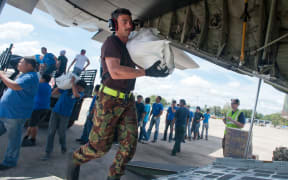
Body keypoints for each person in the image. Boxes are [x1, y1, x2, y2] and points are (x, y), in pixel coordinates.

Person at [68, 8, 168, 180]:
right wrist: (146, 72)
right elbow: (115, 72)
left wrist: (157, 65)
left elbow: (142, 59)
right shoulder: (111, 43)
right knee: (99, 148)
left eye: (131, 22)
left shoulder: (130, 47)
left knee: (129, 146)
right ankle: (76, 159)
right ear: (114, 25)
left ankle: (113, 177)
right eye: (124, 22)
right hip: (109, 100)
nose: (129, 25)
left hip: (127, 101)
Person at [0, 58, 39, 170]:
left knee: (14, 140)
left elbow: (15, 86)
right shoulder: (24, 75)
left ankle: (10, 162)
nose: (18, 64)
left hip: (15, 115)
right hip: (6, 113)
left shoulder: (30, 77)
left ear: (30, 65)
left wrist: (2, 76)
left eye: (21, 62)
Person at [41, 79, 86, 161]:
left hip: (65, 115)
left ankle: (63, 146)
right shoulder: (67, 90)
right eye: (79, 87)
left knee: (61, 132)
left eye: (81, 88)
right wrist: (61, 85)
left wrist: (72, 84)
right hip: (55, 112)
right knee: (51, 132)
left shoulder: (80, 94)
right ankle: (48, 152)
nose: (81, 89)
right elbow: (54, 93)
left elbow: (76, 95)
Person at [22, 74, 52, 147]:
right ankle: (27, 136)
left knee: (34, 125)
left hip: (37, 108)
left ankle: (33, 139)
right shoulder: (48, 86)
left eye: (41, 78)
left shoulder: (40, 85)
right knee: (32, 123)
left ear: (43, 79)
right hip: (45, 108)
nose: (39, 79)